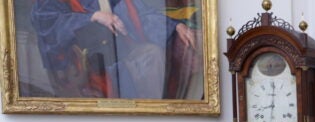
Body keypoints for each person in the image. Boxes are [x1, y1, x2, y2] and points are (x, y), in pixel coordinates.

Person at [30, 0, 196, 98]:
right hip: (85, 65)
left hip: (121, 54)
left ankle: (152, 118)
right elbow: (48, 24)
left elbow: (142, 16)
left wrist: (175, 26)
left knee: (151, 55)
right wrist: (93, 17)